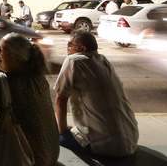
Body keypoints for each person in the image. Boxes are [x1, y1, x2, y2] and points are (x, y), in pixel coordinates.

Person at [0, 33, 59, 166]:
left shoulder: (1, 83)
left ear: (16, 57)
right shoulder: (39, 78)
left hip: (26, 160)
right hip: (50, 155)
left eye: (2, 49)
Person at [54, 32, 139, 161]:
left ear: (81, 48)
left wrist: (63, 132)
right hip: (131, 139)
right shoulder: (103, 60)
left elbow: (60, 99)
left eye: (70, 44)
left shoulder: (73, 60)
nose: (68, 48)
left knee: (54, 136)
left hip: (104, 146)